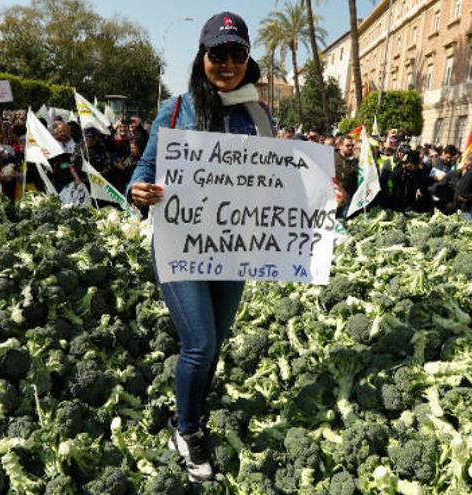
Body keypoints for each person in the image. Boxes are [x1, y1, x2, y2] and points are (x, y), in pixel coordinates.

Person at [126, 12, 277, 483]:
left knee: (214, 344)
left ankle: (194, 408)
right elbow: (143, 171)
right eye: (218, 54)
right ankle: (185, 429)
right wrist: (139, 191)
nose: (227, 63)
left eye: (237, 53)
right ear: (202, 57)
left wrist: (314, 194)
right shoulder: (175, 110)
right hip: (180, 244)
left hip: (234, 247)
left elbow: (275, 180)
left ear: (247, 59)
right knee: (200, 342)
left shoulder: (259, 114)